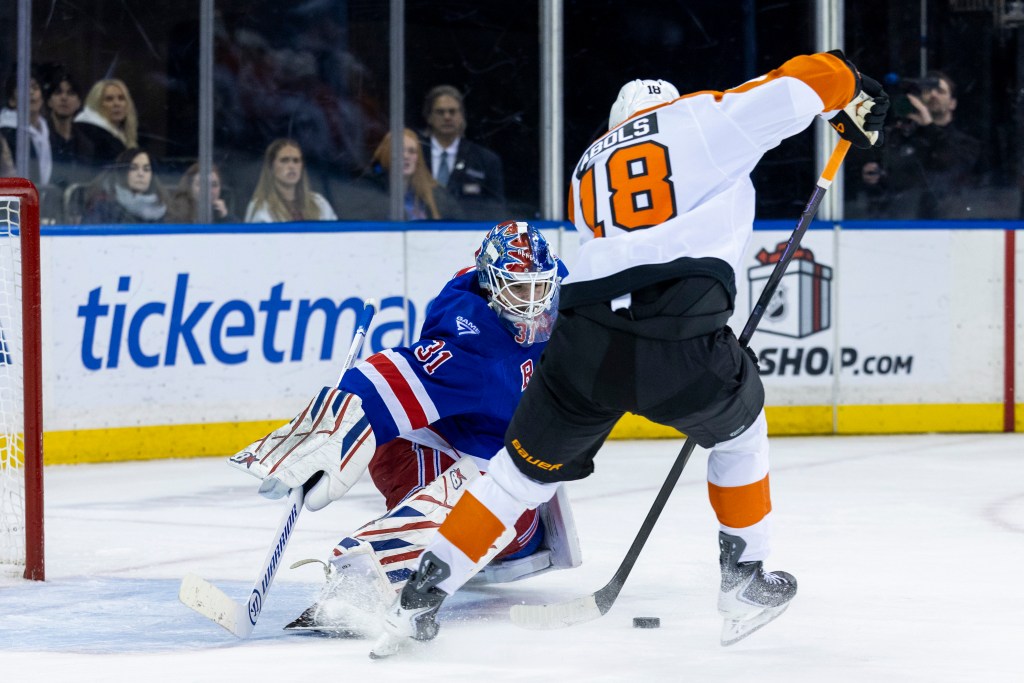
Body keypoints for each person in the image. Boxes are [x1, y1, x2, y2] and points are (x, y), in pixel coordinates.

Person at [374, 51, 890, 656]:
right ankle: (744, 579)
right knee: (740, 430)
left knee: (518, 475)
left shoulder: (589, 164)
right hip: (677, 328)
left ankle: (420, 596)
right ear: (670, 105)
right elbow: (804, 79)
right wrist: (854, 88)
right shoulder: (699, 119)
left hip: (583, 339)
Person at [228, 220, 577, 636]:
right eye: (519, 290)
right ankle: (361, 585)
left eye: (540, 287)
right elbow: (397, 378)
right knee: (420, 460)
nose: (534, 304)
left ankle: (407, 563)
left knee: (499, 497)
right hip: (448, 456)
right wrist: (338, 418)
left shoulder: (567, 306)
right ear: (490, 285)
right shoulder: (475, 347)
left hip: (516, 502)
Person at [854, 70, 981, 219]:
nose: (933, 95)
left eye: (940, 91)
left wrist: (929, 125)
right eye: (927, 91)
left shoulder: (966, 143)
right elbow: (889, 179)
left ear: (953, 103)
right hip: (899, 223)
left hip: (948, 225)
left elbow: (951, 166)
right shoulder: (901, 136)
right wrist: (873, 176)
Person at [420, 85, 505, 220]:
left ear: (462, 117)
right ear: (429, 117)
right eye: (440, 112)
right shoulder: (414, 155)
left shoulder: (486, 160)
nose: (447, 117)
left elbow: (496, 210)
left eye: (453, 112)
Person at [345, 128, 461, 220]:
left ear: (418, 158)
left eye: (411, 151)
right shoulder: (368, 190)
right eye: (399, 150)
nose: (406, 156)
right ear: (387, 154)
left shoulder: (438, 196)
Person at [244, 138, 337, 222]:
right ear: (271, 167)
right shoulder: (261, 206)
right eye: (284, 160)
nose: (291, 166)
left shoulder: (319, 203)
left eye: (296, 161)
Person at [82, 147, 168, 224]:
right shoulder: (103, 204)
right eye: (133, 168)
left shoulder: (161, 206)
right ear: (122, 172)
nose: (141, 174)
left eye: (146, 169)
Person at [0, 66, 53, 189]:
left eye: (35, 87)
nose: (31, 92)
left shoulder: (48, 130)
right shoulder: (7, 132)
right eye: (24, 88)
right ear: (12, 100)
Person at [40, 66, 92, 191]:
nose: (64, 98)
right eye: (58, 92)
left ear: (79, 102)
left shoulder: (85, 145)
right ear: (49, 101)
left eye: (71, 93)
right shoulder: (40, 138)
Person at [73, 78, 139, 169]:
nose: (117, 104)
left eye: (121, 98)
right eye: (109, 99)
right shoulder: (91, 135)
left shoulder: (119, 135)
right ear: (96, 104)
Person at [167, 162, 239, 223]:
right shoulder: (174, 218)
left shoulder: (226, 217)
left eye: (214, 185)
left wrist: (225, 218)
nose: (209, 190)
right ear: (190, 188)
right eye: (201, 184)